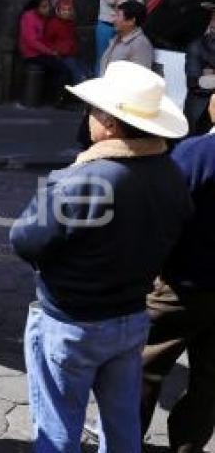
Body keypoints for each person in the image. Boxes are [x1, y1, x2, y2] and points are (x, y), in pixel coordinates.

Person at [11, 61, 192, 453]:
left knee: (58, 425)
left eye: (94, 110)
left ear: (110, 123)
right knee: (122, 420)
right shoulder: (171, 173)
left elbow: (25, 239)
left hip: (72, 321)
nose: (89, 117)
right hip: (131, 316)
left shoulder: (83, 179)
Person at [140, 93, 215, 453]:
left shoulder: (195, 153)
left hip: (181, 286)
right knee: (209, 382)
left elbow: (162, 216)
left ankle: (123, 439)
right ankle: (188, 447)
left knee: (143, 370)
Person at [18, 0, 76, 104]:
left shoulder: (43, 18)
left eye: (48, 6)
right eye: (43, 7)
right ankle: (60, 100)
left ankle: (55, 97)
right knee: (63, 70)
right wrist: (50, 52)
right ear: (36, 8)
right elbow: (32, 41)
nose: (48, 9)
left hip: (42, 51)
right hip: (33, 54)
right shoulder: (29, 17)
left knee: (63, 67)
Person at [96, 0, 143, 75]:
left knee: (118, 62)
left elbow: (139, 4)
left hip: (126, 27)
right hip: (106, 25)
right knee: (102, 58)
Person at [182, 2, 215, 136]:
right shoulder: (197, 45)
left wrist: (210, 76)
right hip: (200, 114)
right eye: (213, 17)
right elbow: (195, 82)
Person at [99, 0, 153, 76]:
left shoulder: (140, 44)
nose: (113, 20)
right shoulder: (116, 38)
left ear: (131, 21)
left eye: (118, 16)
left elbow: (140, 79)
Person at [45, 0, 89, 82]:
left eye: (69, 10)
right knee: (79, 74)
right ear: (58, 10)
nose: (66, 12)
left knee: (88, 71)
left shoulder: (70, 23)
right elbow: (47, 41)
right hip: (62, 56)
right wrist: (55, 51)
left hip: (73, 54)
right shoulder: (53, 23)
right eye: (64, 10)